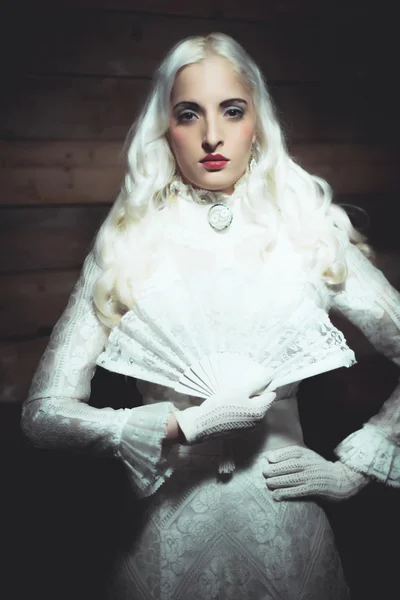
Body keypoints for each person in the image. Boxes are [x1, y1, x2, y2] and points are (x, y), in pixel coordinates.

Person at [20, 33, 400, 599]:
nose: (212, 135)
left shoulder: (308, 235)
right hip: (161, 546)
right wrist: (180, 426)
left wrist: (355, 469)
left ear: (257, 125)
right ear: (165, 130)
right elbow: (43, 415)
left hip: (288, 538)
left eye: (232, 110)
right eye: (188, 114)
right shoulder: (127, 248)